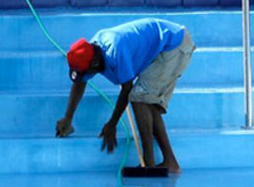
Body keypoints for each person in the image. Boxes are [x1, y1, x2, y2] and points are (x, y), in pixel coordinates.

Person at [55, 18, 195, 174]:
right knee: (146, 98)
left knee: (139, 97)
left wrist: (112, 123)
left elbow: (127, 89)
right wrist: (68, 118)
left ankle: (149, 164)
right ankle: (170, 163)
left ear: (94, 63)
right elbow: (79, 83)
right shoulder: (89, 51)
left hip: (175, 44)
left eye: (85, 72)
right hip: (163, 45)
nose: (85, 75)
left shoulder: (115, 50)